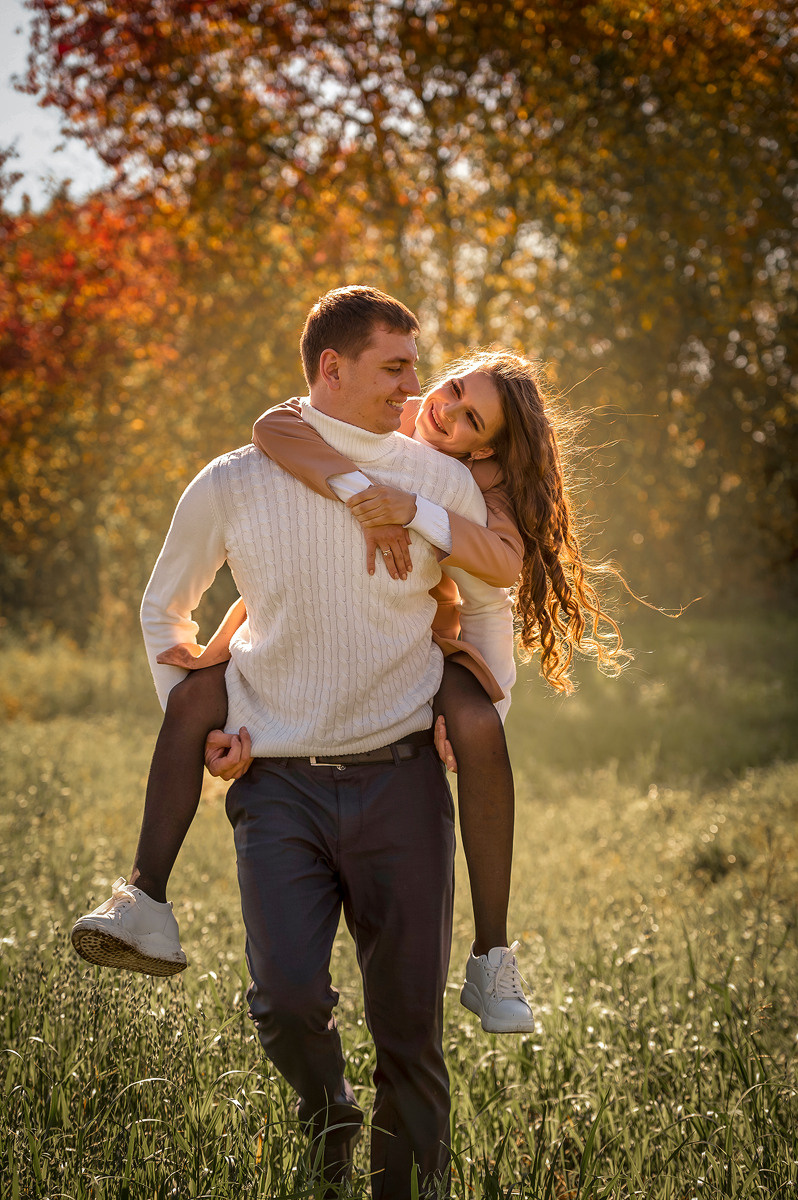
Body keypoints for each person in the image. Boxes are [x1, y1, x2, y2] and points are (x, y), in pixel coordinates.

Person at [72, 286, 527, 1197]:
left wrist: (476, 712)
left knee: (409, 1033)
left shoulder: (436, 481)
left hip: (401, 781)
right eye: (396, 367)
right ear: (332, 368)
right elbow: (164, 605)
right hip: (279, 788)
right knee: (283, 1002)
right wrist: (206, 717)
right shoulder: (234, 480)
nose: (414, 388)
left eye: (418, 367)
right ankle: (332, 1122)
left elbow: (487, 602)